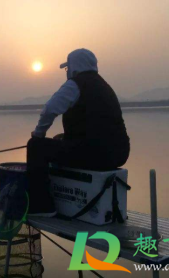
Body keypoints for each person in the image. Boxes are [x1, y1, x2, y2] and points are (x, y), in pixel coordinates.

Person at [27, 48, 130, 217]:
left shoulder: (75, 84)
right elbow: (95, 126)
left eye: (68, 68)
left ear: (74, 67)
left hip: (94, 155)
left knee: (35, 146)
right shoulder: (104, 86)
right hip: (118, 153)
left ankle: (42, 205)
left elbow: (49, 110)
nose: (67, 72)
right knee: (59, 139)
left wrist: (39, 134)